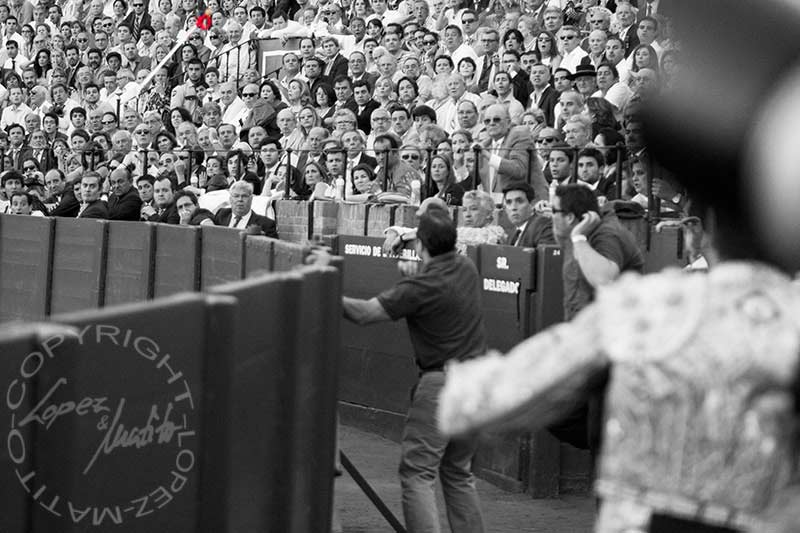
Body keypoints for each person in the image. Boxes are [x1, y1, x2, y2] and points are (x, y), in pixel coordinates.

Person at [343, 206, 486, 533]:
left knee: (418, 473)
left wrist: (326, 291)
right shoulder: (466, 267)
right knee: (459, 472)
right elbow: (436, 285)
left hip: (443, 384)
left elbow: (365, 313)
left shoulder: (418, 289)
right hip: (477, 382)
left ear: (420, 246)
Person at [213, 180, 278, 238]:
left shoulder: (266, 224)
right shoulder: (222, 214)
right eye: (236, 196)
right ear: (230, 199)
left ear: (251, 199)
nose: (240, 199)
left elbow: (273, 249)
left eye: (244, 196)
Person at [503, 181, 555, 247]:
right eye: (509, 202)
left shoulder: (543, 227)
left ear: (532, 204)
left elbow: (544, 255)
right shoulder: (512, 233)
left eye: (519, 201)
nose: (513, 207)